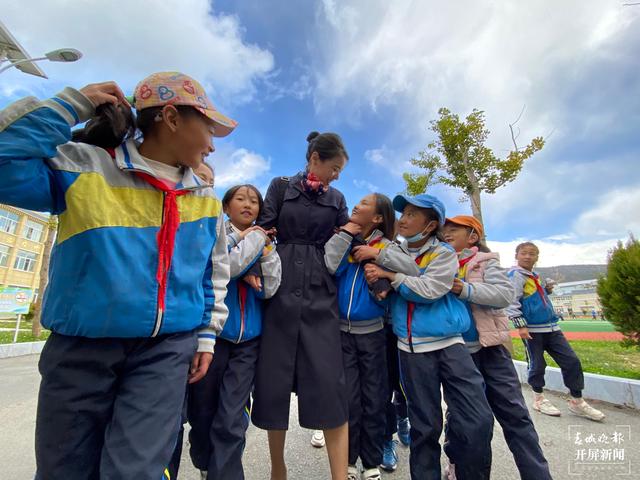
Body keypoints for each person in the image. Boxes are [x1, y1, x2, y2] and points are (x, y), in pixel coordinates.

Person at [0, 72, 234, 479]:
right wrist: (72, 102)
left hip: (165, 351)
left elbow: (212, 276)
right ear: (171, 118)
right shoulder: (82, 166)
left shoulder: (206, 200)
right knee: (64, 469)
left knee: (136, 472)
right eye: (208, 128)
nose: (213, 144)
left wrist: (207, 335)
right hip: (79, 351)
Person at [363, 194, 494, 480]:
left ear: (431, 224)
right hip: (410, 351)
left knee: (477, 419)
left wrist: (393, 277)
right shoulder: (392, 251)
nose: (403, 220)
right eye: (403, 214)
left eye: (412, 214)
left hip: (450, 345)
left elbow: (431, 289)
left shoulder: (443, 253)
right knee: (425, 427)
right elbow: (385, 291)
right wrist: (382, 283)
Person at [251, 132, 350, 480]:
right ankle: (278, 467)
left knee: (329, 384)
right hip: (279, 288)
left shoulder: (337, 198)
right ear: (314, 160)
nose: (337, 175)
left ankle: (339, 476)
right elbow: (263, 229)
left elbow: (345, 239)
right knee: (273, 383)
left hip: (321, 292)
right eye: (334, 168)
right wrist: (254, 269)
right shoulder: (280, 186)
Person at [443, 216, 552, 480]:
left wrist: (465, 289)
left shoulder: (486, 262)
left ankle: (537, 475)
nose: (446, 234)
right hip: (457, 354)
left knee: (516, 415)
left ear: (472, 237)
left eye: (453, 230)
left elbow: (503, 296)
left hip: (491, 350)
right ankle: (459, 465)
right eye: (444, 230)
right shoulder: (439, 262)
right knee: (467, 421)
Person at [187, 184, 282, 480]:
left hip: (248, 342)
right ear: (226, 207)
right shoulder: (214, 235)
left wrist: (260, 251)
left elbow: (270, 288)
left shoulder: (265, 241)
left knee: (232, 418)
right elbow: (223, 266)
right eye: (240, 198)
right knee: (202, 413)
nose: (248, 205)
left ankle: (223, 473)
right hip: (211, 338)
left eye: (254, 201)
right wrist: (246, 244)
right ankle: (206, 464)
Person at [324, 193, 419, 480]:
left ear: (377, 218)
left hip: (375, 334)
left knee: (375, 398)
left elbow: (414, 270)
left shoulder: (388, 246)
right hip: (341, 334)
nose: (356, 206)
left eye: (364, 204)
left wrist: (376, 255)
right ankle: (349, 461)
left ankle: (372, 461)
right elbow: (329, 265)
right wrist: (346, 235)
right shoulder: (342, 237)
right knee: (349, 399)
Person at [507, 242, 605, 421]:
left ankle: (577, 401)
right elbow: (512, 301)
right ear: (517, 255)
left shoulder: (533, 276)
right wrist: (520, 325)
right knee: (537, 364)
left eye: (532, 254)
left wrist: (546, 291)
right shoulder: (515, 275)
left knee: (571, 361)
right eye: (524, 253)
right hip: (533, 330)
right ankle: (538, 398)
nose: (528, 256)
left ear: (537, 257)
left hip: (552, 327)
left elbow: (533, 298)